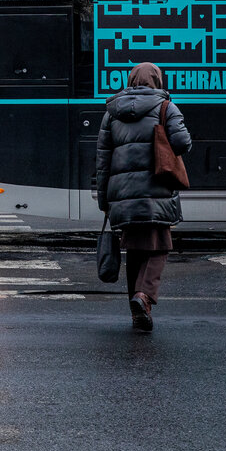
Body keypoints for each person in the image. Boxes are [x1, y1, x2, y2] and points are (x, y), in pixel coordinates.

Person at [96, 62, 191, 332]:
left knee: (136, 250)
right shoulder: (165, 107)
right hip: (157, 190)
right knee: (160, 246)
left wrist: (105, 201)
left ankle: (137, 313)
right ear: (157, 81)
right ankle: (144, 297)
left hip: (123, 196)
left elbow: (102, 162)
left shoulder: (111, 114)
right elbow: (183, 142)